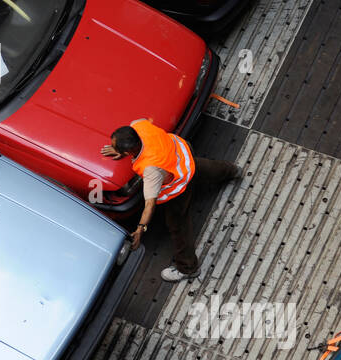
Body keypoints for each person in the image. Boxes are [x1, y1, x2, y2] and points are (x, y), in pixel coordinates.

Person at [102, 118, 240, 282]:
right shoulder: (138, 125)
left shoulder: (151, 169)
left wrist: (140, 229)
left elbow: (149, 205)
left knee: (178, 226)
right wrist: (121, 150)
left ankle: (188, 268)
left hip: (179, 185)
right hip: (183, 158)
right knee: (205, 167)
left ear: (129, 152)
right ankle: (233, 170)